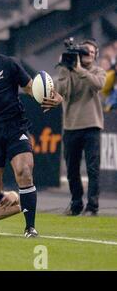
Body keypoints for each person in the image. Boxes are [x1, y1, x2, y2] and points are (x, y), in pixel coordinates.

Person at [0, 35, 63, 238]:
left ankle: (30, 227)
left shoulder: (8, 64)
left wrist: (53, 96)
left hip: (15, 129)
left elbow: (30, 87)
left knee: (24, 170)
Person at [56, 39, 106, 216]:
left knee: (93, 168)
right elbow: (60, 90)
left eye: (92, 53)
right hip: (71, 125)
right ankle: (76, 203)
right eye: (86, 52)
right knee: (72, 169)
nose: (89, 55)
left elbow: (98, 84)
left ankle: (92, 206)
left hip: (92, 125)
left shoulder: (98, 71)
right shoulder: (67, 69)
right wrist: (66, 69)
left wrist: (79, 70)